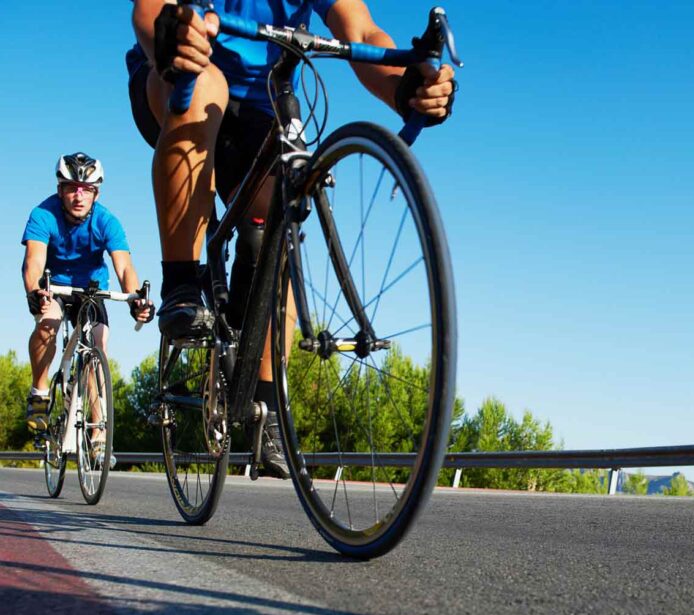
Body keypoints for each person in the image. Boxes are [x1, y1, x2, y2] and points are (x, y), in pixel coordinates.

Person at [126, 0, 456, 478]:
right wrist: (170, 36)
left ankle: (265, 405)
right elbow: (149, 8)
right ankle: (181, 280)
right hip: (179, 73)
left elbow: (360, 29)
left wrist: (407, 87)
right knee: (204, 90)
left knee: (283, 212)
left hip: (261, 102)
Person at [23, 152, 155, 452]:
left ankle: (97, 432)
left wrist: (136, 299)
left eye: (86, 189)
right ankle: (40, 392)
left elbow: (124, 267)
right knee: (48, 325)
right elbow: (34, 260)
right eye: (71, 187)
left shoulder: (106, 220)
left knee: (98, 344)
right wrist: (35, 291)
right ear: (60, 190)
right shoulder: (43, 215)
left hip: (91, 290)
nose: (78, 195)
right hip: (54, 285)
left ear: (96, 192)